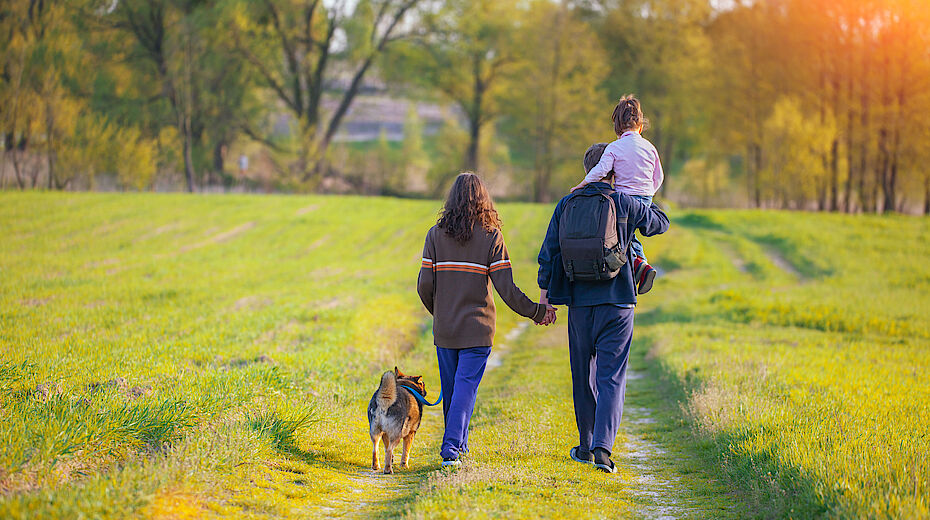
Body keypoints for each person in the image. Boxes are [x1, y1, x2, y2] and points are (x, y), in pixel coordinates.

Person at [538, 144, 669, 473]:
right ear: (614, 169)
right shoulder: (623, 202)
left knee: (582, 376)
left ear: (588, 169)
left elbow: (549, 254)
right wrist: (642, 190)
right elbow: (659, 224)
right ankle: (603, 450)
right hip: (619, 302)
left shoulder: (566, 204)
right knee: (612, 377)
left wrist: (546, 298)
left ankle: (584, 444)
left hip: (580, 305)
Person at [417, 172, 556, 467]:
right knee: (464, 389)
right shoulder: (491, 236)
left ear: (451, 200)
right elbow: (507, 289)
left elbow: (424, 286)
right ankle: (452, 448)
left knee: (454, 389)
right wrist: (537, 311)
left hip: (446, 328)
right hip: (478, 330)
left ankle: (458, 446)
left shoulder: (435, 235)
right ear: (483, 200)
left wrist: (440, 313)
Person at [570, 95, 664, 294]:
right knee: (631, 236)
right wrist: (649, 193)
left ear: (617, 127)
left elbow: (600, 170)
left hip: (623, 199)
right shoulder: (650, 147)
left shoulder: (614, 147)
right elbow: (659, 175)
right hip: (646, 198)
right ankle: (641, 266)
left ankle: (640, 265)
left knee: (621, 237)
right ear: (640, 126)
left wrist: (582, 183)